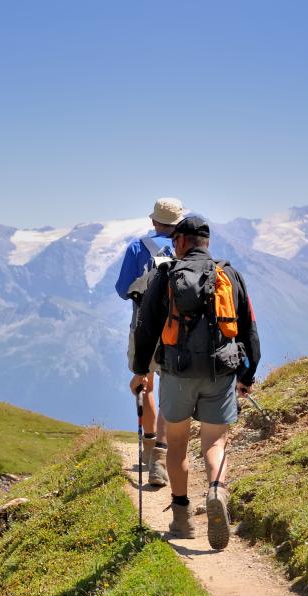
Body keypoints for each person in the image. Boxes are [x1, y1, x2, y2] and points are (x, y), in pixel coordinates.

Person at [129, 215, 260, 550]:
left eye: (175, 241)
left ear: (183, 242)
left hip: (177, 374)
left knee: (177, 444)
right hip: (221, 372)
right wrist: (247, 374)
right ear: (207, 242)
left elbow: (147, 327)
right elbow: (249, 327)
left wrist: (141, 370)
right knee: (215, 443)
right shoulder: (227, 274)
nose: (174, 246)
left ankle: (182, 517)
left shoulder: (168, 273)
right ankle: (217, 488)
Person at [115, 197, 186, 487]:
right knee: (169, 387)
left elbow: (122, 290)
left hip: (144, 326)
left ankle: (148, 444)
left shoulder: (137, 247)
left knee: (144, 384)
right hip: (177, 330)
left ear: (153, 220)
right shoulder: (187, 245)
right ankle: (160, 455)